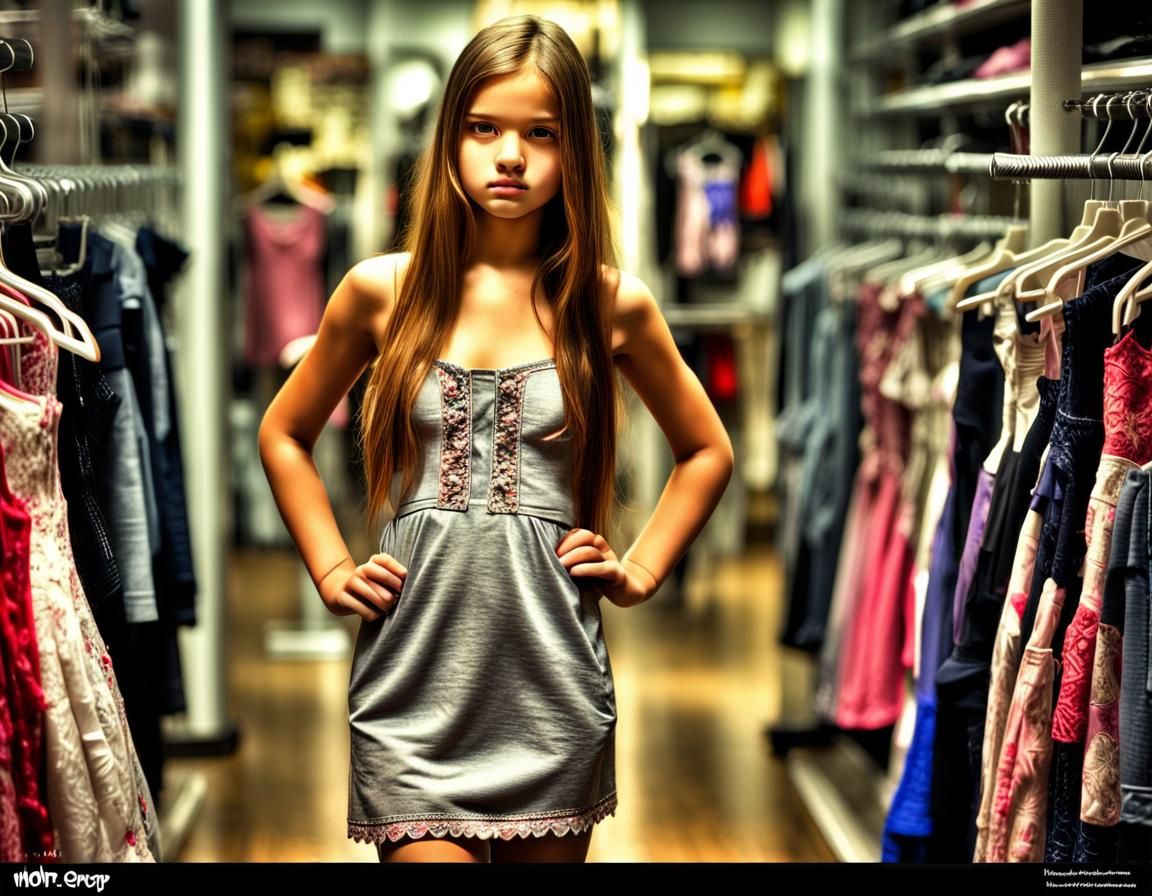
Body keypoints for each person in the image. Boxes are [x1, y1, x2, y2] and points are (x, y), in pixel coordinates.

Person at [258, 14, 734, 864]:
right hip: (413, 680)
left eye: (540, 134)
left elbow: (707, 451)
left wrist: (640, 570)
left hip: (551, 685)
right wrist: (330, 567)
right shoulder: (380, 292)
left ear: (573, 153)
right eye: (484, 128)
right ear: (451, 138)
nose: (509, 155)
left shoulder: (608, 302)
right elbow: (284, 432)